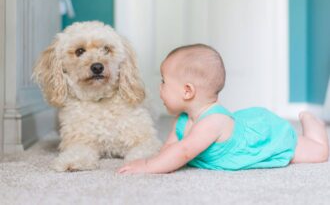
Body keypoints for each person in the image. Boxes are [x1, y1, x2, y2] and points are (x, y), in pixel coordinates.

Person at [117, 44, 329, 174]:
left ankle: (312, 122)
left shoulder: (212, 122)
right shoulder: (182, 120)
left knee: (319, 153)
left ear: (187, 91)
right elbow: (170, 150)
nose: (159, 88)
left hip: (262, 136)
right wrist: (157, 160)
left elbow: (183, 152)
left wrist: (147, 166)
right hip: (243, 125)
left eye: (164, 82)